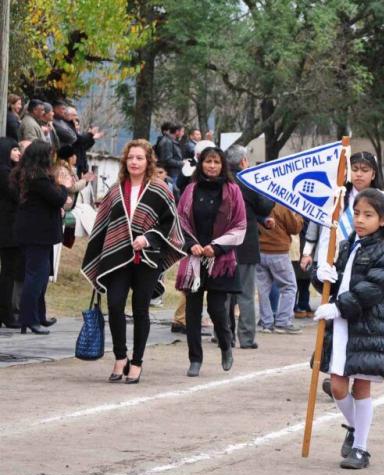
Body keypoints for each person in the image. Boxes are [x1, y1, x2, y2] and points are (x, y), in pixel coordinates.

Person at [82, 139, 184, 383]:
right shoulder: (116, 190)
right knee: (115, 306)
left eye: (139, 158)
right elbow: (103, 225)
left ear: (148, 161)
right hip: (118, 258)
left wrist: (148, 238)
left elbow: (170, 223)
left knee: (141, 310)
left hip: (147, 259)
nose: (134, 162)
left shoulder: (160, 189)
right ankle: (120, 357)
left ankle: (137, 361)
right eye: (130, 158)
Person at [312, 188, 384, 469]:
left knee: (361, 386)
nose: (360, 220)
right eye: (358, 213)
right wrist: (321, 276)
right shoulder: (350, 244)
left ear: (383, 220)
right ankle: (354, 427)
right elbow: (337, 284)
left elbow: (373, 288)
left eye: (369, 215)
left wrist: (338, 307)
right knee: (337, 386)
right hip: (341, 327)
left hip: (366, 326)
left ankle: (361, 448)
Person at [175, 147, 246, 377]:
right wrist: (190, 245)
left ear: (222, 164)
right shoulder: (190, 190)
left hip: (221, 259)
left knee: (217, 310)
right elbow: (180, 222)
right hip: (195, 258)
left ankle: (226, 346)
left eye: (216, 162)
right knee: (192, 312)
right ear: (201, 163)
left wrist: (216, 247)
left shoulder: (233, 190)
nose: (212, 166)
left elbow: (240, 226)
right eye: (208, 161)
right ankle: (195, 359)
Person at [12, 141, 70, 335]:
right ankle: (29, 318)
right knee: (36, 277)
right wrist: (64, 186)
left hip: (33, 231)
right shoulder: (37, 177)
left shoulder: (26, 174)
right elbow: (58, 198)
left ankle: (38, 315)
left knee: (41, 276)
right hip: (37, 232)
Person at [225, 144, 274, 349]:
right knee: (245, 293)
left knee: (225, 294)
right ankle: (246, 338)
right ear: (244, 161)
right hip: (246, 244)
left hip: (224, 245)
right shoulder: (249, 181)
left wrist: (262, 219)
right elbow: (262, 204)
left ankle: (224, 335)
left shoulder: (223, 182)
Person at [256, 204, 304, 334]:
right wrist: (299, 215)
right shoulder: (281, 205)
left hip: (259, 250)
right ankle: (283, 322)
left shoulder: (259, 203)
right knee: (289, 287)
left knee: (263, 289)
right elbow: (295, 228)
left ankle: (266, 323)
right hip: (278, 251)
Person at [0, 138, 22, 328]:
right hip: (8, 229)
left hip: (9, 227)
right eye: (14, 149)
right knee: (8, 272)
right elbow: (17, 196)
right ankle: (6, 313)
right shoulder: (5, 173)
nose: (18, 153)